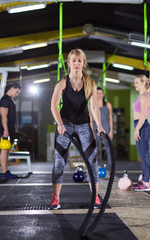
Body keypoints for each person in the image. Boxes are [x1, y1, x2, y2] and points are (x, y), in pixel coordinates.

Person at [49, 49, 104, 209]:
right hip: (65, 124)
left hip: (84, 125)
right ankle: (55, 199)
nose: (76, 63)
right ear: (69, 63)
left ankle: (95, 198)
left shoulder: (90, 83)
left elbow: (94, 106)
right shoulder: (62, 83)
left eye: (79, 60)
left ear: (84, 63)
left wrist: (99, 126)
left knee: (92, 161)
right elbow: (53, 106)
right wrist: (60, 124)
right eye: (73, 60)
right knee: (59, 162)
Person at [132, 74, 150, 192]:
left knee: (145, 155)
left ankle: (146, 183)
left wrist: (137, 129)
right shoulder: (141, 96)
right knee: (142, 156)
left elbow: (144, 115)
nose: (135, 84)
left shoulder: (145, 97)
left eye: (137, 82)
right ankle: (144, 179)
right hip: (140, 126)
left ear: (144, 83)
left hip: (143, 126)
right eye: (134, 83)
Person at [0, 82, 22, 179]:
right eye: (16, 92)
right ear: (12, 88)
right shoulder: (5, 99)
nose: (17, 95)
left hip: (10, 128)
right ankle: (4, 172)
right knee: (4, 149)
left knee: (7, 150)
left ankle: (6, 170)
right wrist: (5, 130)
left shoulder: (10, 100)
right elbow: (4, 116)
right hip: (6, 128)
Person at [90, 87, 113, 169]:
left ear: (103, 94)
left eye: (101, 93)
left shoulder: (108, 105)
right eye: (97, 93)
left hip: (106, 128)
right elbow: (90, 120)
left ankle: (111, 167)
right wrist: (92, 131)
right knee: (94, 149)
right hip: (96, 129)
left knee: (109, 149)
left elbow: (110, 118)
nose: (99, 95)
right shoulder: (92, 105)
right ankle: (93, 167)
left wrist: (111, 131)